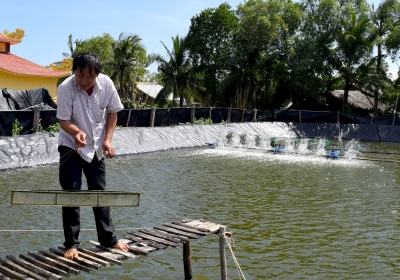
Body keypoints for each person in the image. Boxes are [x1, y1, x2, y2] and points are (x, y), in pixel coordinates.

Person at [56, 53, 129, 260]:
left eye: (89, 77)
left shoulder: (106, 84)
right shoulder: (65, 88)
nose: (83, 81)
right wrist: (76, 133)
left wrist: (108, 140)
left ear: (97, 74)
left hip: (96, 146)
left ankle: (109, 239)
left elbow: (113, 112)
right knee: (71, 192)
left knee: (99, 192)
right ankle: (71, 244)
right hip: (70, 145)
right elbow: (63, 120)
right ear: (74, 72)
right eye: (79, 76)